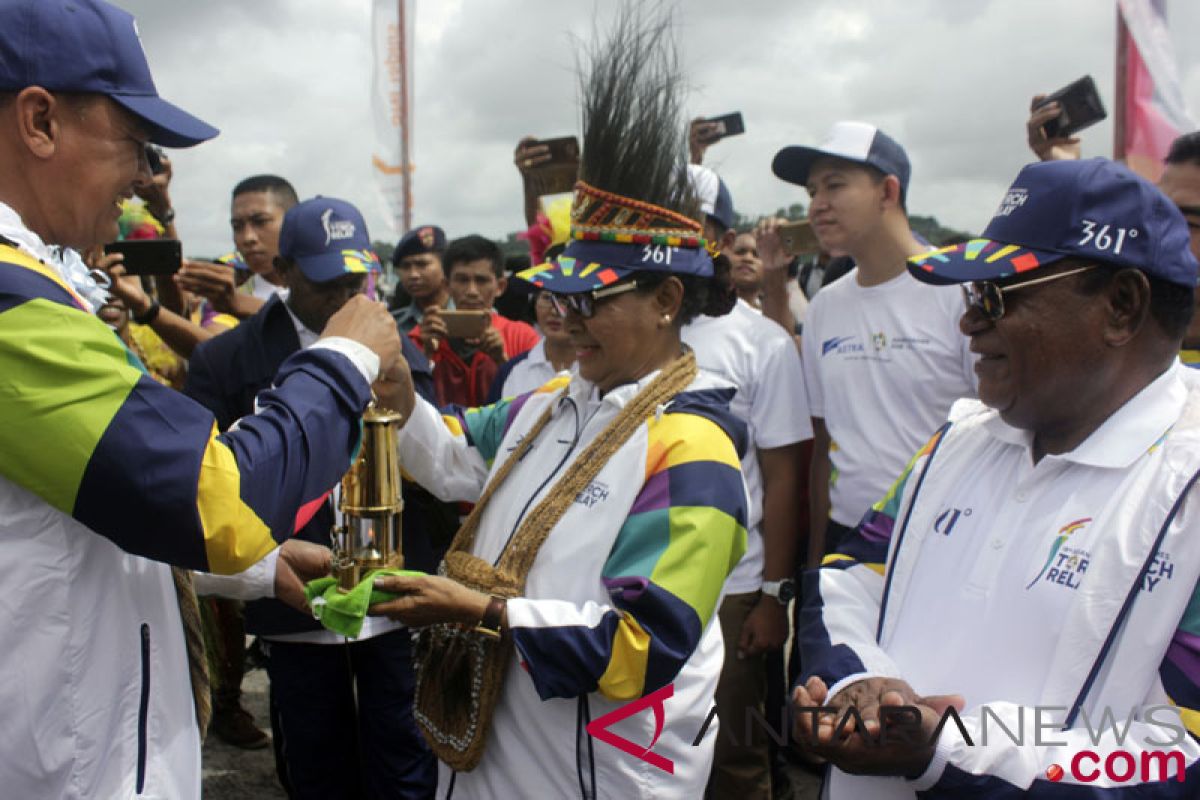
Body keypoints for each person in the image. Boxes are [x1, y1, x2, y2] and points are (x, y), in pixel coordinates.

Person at [0, 2, 402, 796]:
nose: (143, 183)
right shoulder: (11, 300)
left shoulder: (32, 285)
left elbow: (93, 511)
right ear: (40, 121)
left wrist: (260, 567)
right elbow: (211, 501)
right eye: (138, 147)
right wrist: (348, 356)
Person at [368, 14, 748, 797]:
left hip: (591, 770)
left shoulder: (693, 449)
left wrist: (478, 611)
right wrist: (400, 394)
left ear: (668, 299)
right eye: (562, 297)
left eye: (591, 301)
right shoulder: (549, 403)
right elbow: (448, 456)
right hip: (497, 750)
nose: (566, 319)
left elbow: (642, 647)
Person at [794, 158, 1200, 797]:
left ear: (1122, 307)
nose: (969, 322)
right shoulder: (958, 438)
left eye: (997, 295)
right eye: (970, 294)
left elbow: (1182, 758)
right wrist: (853, 684)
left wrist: (940, 752)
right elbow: (850, 573)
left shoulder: (1189, 486)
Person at [187, 197, 437, 798]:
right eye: (328, 279)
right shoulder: (227, 357)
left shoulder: (393, 340)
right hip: (297, 591)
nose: (345, 293)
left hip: (391, 591)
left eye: (356, 276)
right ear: (284, 272)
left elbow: (428, 452)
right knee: (313, 756)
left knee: (404, 749)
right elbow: (202, 477)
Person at [763, 121, 976, 565]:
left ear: (888, 192)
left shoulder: (962, 292)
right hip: (844, 546)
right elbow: (825, 444)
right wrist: (816, 563)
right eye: (812, 191)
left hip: (941, 544)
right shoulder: (826, 307)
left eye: (835, 186)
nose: (818, 206)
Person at [681, 170, 812, 800]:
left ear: (722, 236)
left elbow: (786, 478)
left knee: (734, 756)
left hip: (730, 590)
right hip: (634, 581)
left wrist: (772, 595)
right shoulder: (629, 328)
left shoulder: (762, 343)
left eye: (690, 223)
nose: (672, 237)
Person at [411, 234, 540, 406]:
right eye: (462, 280)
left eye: (482, 280)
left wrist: (502, 362)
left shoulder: (522, 337)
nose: (472, 291)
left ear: (500, 287)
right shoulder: (421, 337)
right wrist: (425, 356)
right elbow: (404, 404)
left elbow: (537, 404)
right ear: (446, 286)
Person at [176, 174, 298, 319]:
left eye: (260, 222)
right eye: (237, 226)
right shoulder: (225, 301)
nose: (248, 238)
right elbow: (211, 338)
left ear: (294, 221)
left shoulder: (326, 289)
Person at [486, 287, 576, 401]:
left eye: (566, 301)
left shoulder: (599, 370)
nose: (554, 311)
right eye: (547, 298)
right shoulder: (511, 371)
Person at [391, 223, 449, 333]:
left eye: (422, 264)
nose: (413, 274)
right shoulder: (392, 325)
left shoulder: (473, 319)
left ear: (444, 266)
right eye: (405, 266)